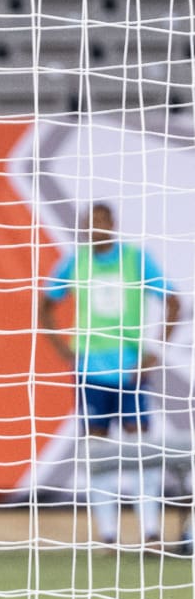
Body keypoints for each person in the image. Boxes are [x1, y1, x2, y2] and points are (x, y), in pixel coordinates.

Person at [40, 202, 181, 551]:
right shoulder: (76, 262)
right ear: (85, 226)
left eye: (102, 221)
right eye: (91, 221)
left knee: (141, 450)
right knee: (97, 451)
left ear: (114, 224)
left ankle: (150, 533)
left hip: (131, 370)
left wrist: (155, 350)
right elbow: (47, 303)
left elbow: (173, 301)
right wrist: (62, 349)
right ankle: (108, 536)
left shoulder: (135, 259)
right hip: (90, 371)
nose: (96, 227)